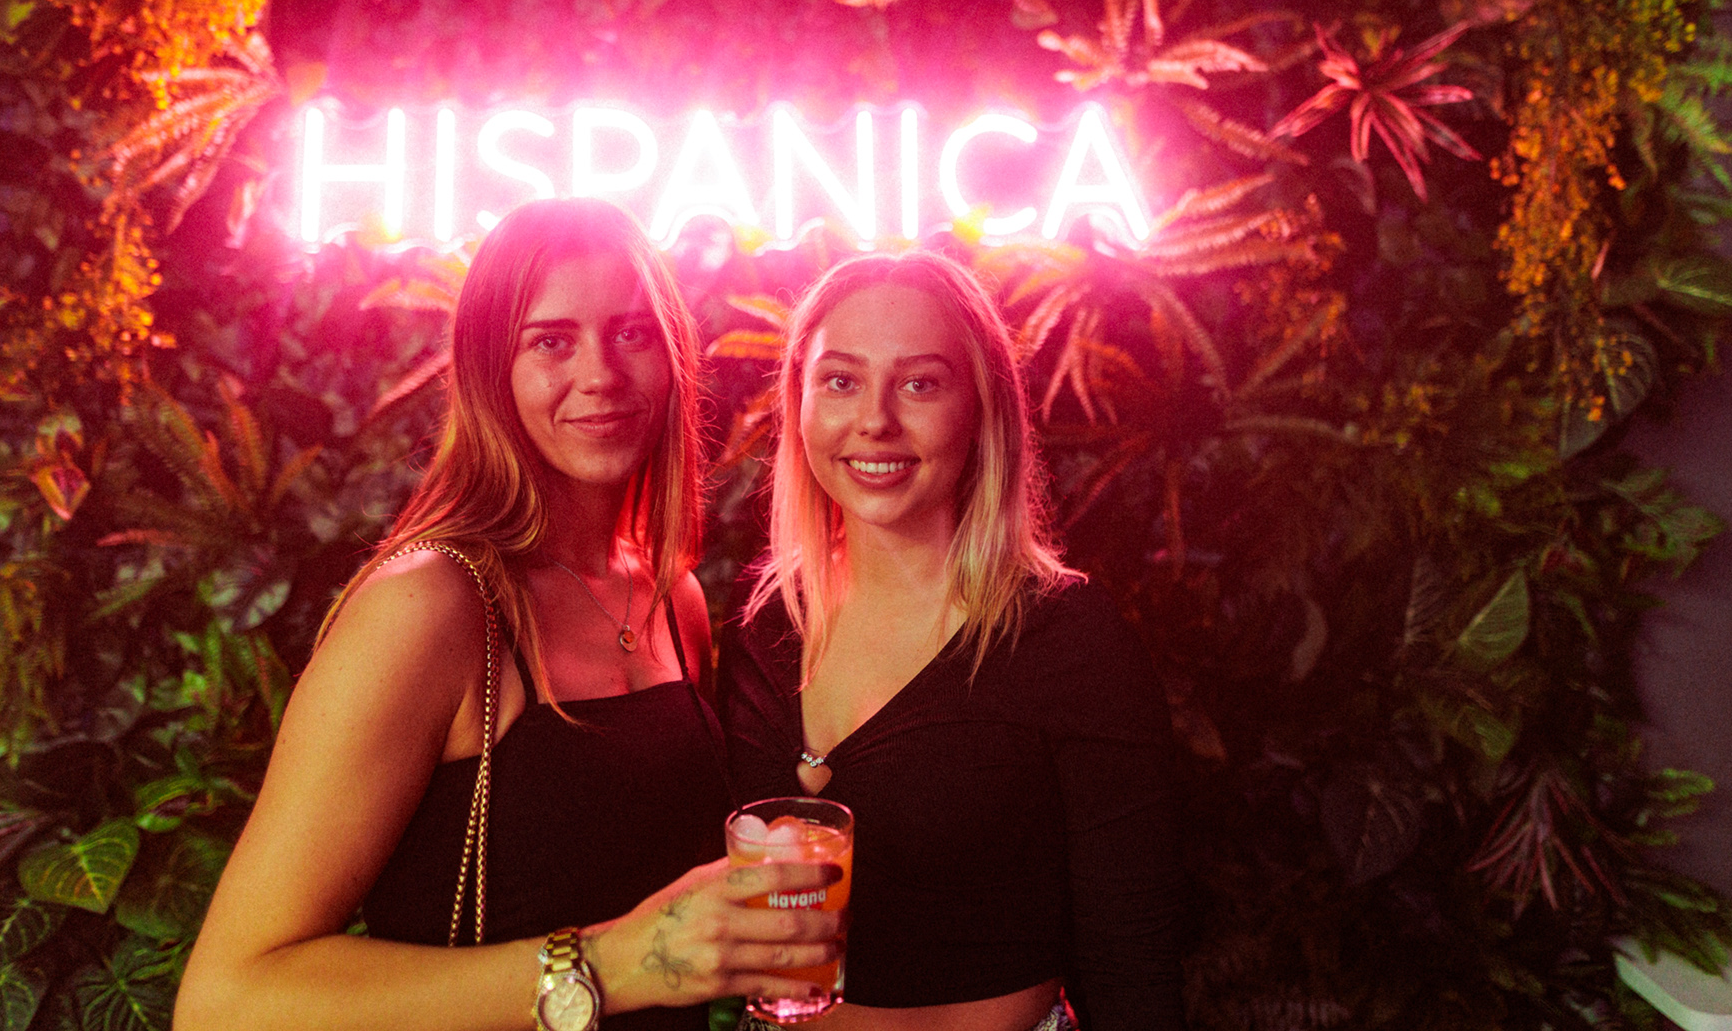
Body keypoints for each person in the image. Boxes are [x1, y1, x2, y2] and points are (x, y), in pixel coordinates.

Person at [176, 199, 840, 1031]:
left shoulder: (673, 596)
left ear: (673, 359)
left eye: (632, 333)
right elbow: (227, 1001)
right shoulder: (431, 605)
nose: (600, 375)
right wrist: (618, 963)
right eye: (551, 341)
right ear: (492, 372)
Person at [719, 250, 1188, 1031]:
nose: (875, 420)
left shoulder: (1068, 639)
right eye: (841, 381)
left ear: (982, 409)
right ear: (798, 403)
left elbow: (1134, 968)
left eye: (920, 384)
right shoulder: (764, 617)